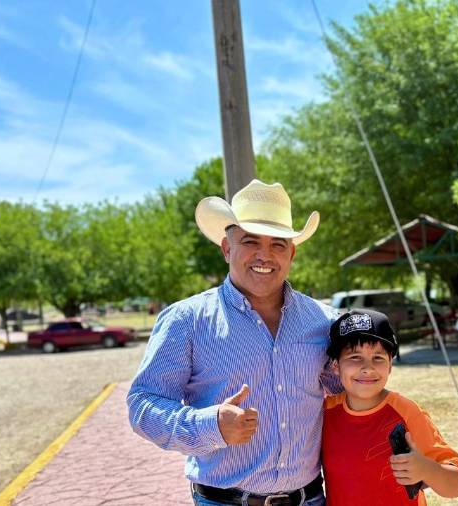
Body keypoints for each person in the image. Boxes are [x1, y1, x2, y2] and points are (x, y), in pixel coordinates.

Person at [127, 179, 340, 506]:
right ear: (227, 248)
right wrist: (209, 425)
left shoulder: (324, 321)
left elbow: (343, 392)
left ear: (292, 253)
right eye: (250, 241)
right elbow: (143, 404)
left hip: (310, 499)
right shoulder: (187, 320)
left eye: (278, 244)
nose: (264, 255)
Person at [321, 309, 458, 505]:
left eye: (378, 358)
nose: (368, 367)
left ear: (390, 364)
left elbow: (457, 486)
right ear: (336, 365)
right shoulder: (324, 412)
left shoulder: (406, 412)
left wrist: (426, 469)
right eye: (355, 357)